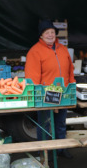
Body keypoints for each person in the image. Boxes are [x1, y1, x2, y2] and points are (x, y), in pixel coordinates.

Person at [25, 19, 75, 158]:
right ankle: (44, 151)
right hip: (45, 94)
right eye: (47, 33)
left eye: (52, 32)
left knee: (61, 123)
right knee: (45, 124)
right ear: (41, 35)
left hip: (63, 93)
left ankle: (61, 149)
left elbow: (71, 70)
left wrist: (72, 84)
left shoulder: (63, 49)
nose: (50, 35)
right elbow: (32, 76)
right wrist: (37, 93)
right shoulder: (35, 51)